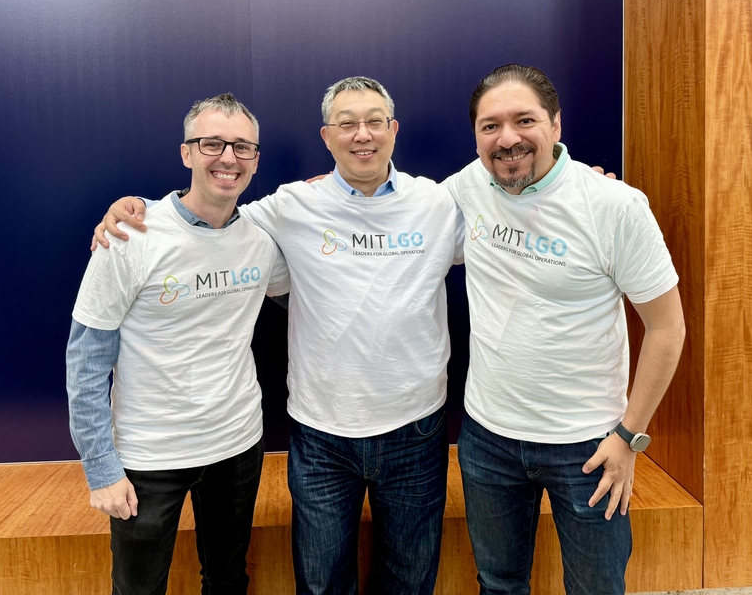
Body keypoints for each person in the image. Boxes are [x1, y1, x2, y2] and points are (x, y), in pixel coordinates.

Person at [93, 77, 465, 595]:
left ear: (393, 129)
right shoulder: (288, 206)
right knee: (320, 584)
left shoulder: (439, 203)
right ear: (326, 136)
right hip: (320, 435)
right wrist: (132, 206)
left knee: (409, 580)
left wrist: (585, 182)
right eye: (346, 123)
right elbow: (209, 212)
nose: (363, 134)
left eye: (375, 120)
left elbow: (512, 219)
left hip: (417, 430)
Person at [444, 64, 686, 595]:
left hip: (589, 446)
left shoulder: (615, 206)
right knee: (498, 584)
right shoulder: (468, 186)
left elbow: (667, 330)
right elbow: (401, 218)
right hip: (488, 438)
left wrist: (628, 436)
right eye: (490, 127)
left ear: (556, 124)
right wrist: (334, 191)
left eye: (523, 120)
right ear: (477, 137)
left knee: (596, 587)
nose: (507, 139)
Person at [66, 93, 290, 595]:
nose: (228, 158)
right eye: (212, 143)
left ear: (256, 160)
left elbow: (314, 292)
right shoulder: (130, 234)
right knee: (139, 589)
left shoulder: (260, 239)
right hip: (149, 456)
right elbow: (85, 361)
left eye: (242, 147)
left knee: (228, 579)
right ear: (187, 153)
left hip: (237, 444)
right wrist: (100, 468)